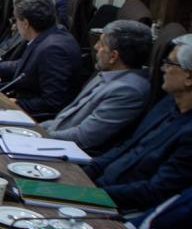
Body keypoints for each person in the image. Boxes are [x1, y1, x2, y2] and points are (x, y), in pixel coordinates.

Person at [84, 34, 192, 213]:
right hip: (97, 186)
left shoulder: (188, 134)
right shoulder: (167, 104)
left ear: (189, 77)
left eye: (170, 63)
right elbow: (127, 145)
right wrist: (86, 173)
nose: (163, 69)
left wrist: (89, 194)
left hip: (121, 208)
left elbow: (155, 191)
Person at [40, 20, 151, 154]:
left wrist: (38, 136)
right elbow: (63, 120)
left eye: (102, 44)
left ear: (113, 56)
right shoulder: (108, 73)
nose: (96, 47)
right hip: (53, 138)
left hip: (68, 153)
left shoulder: (129, 91)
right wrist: (34, 129)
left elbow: (83, 138)